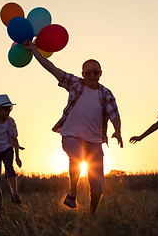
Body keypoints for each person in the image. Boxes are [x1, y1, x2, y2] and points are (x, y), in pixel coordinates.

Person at [22, 40, 123, 214]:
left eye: (95, 72)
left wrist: (118, 131)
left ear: (101, 73)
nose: (91, 75)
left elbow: (114, 114)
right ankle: (73, 191)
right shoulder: (75, 84)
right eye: (88, 72)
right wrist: (33, 50)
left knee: (98, 184)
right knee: (76, 157)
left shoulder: (106, 93)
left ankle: (92, 214)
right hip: (71, 134)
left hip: (95, 140)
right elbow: (52, 68)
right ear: (82, 74)